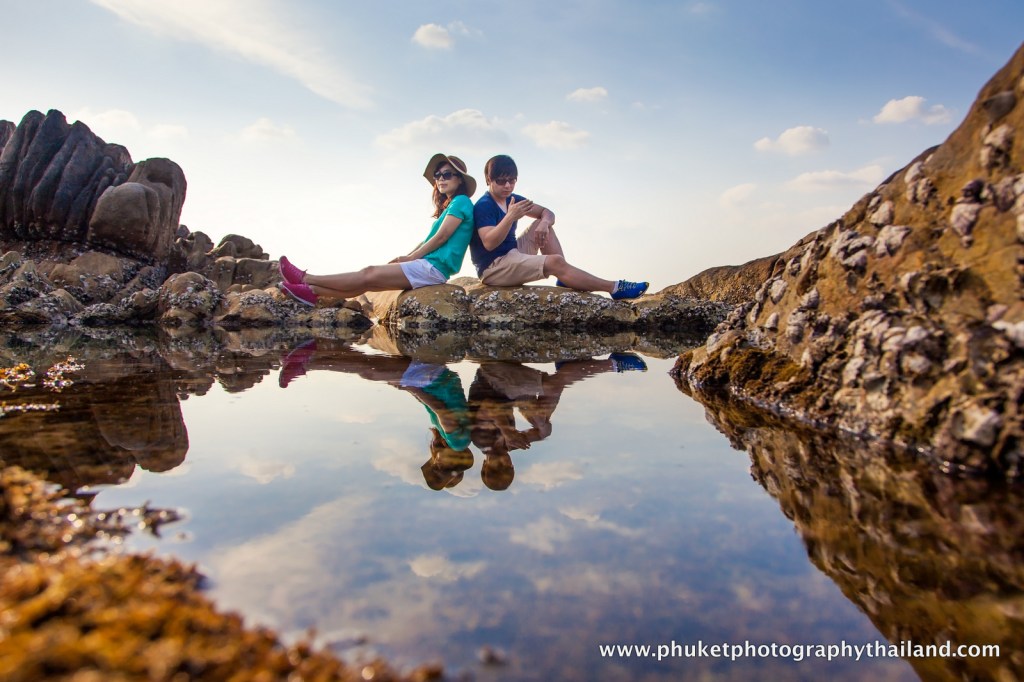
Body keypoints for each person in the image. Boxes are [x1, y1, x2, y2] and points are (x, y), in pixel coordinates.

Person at [277, 153, 476, 305]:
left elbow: (442, 237)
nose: (441, 179)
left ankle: (305, 278)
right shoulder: (450, 206)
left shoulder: (461, 201)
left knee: (368, 273)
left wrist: (412, 258)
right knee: (368, 283)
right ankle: (311, 291)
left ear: (460, 179)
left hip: (433, 268)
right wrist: (405, 258)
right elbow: (428, 240)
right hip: (428, 266)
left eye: (447, 175)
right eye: (438, 175)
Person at [469, 154, 648, 300]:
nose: (507, 185)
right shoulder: (484, 205)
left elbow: (547, 212)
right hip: (493, 268)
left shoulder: (512, 199)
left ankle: (564, 277)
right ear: (488, 180)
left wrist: (545, 223)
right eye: (501, 181)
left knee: (541, 223)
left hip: (512, 253)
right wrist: (510, 217)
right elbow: (489, 243)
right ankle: (614, 288)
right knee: (555, 262)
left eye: (512, 180)